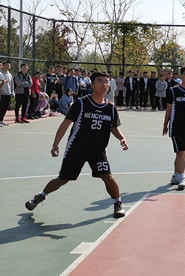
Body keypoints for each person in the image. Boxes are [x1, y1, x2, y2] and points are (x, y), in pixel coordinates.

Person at [25, 71, 129, 219]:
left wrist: (122, 138)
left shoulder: (111, 108)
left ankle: (118, 203)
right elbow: (65, 124)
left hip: (98, 150)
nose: (104, 84)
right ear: (92, 85)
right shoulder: (81, 103)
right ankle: (41, 195)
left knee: (107, 176)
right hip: (76, 149)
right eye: (100, 81)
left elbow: (113, 127)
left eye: (106, 81)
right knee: (63, 179)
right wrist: (55, 145)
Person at [0, 60, 15, 126]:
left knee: (5, 107)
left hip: (8, 94)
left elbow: (12, 84)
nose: (7, 66)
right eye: (6, 65)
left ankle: (1, 120)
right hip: (2, 94)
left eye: (8, 65)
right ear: (3, 66)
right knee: (1, 107)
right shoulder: (0, 73)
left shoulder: (10, 74)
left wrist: (12, 92)